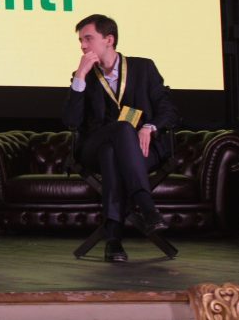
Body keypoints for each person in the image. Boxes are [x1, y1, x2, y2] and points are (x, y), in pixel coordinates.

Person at [62, 14, 179, 263]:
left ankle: (113, 240)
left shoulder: (143, 68)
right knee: (121, 131)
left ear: (109, 39)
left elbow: (168, 110)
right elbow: (71, 121)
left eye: (88, 38)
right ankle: (146, 206)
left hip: (141, 150)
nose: (83, 45)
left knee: (112, 155)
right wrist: (80, 76)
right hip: (93, 148)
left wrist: (149, 127)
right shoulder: (84, 76)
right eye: (81, 40)